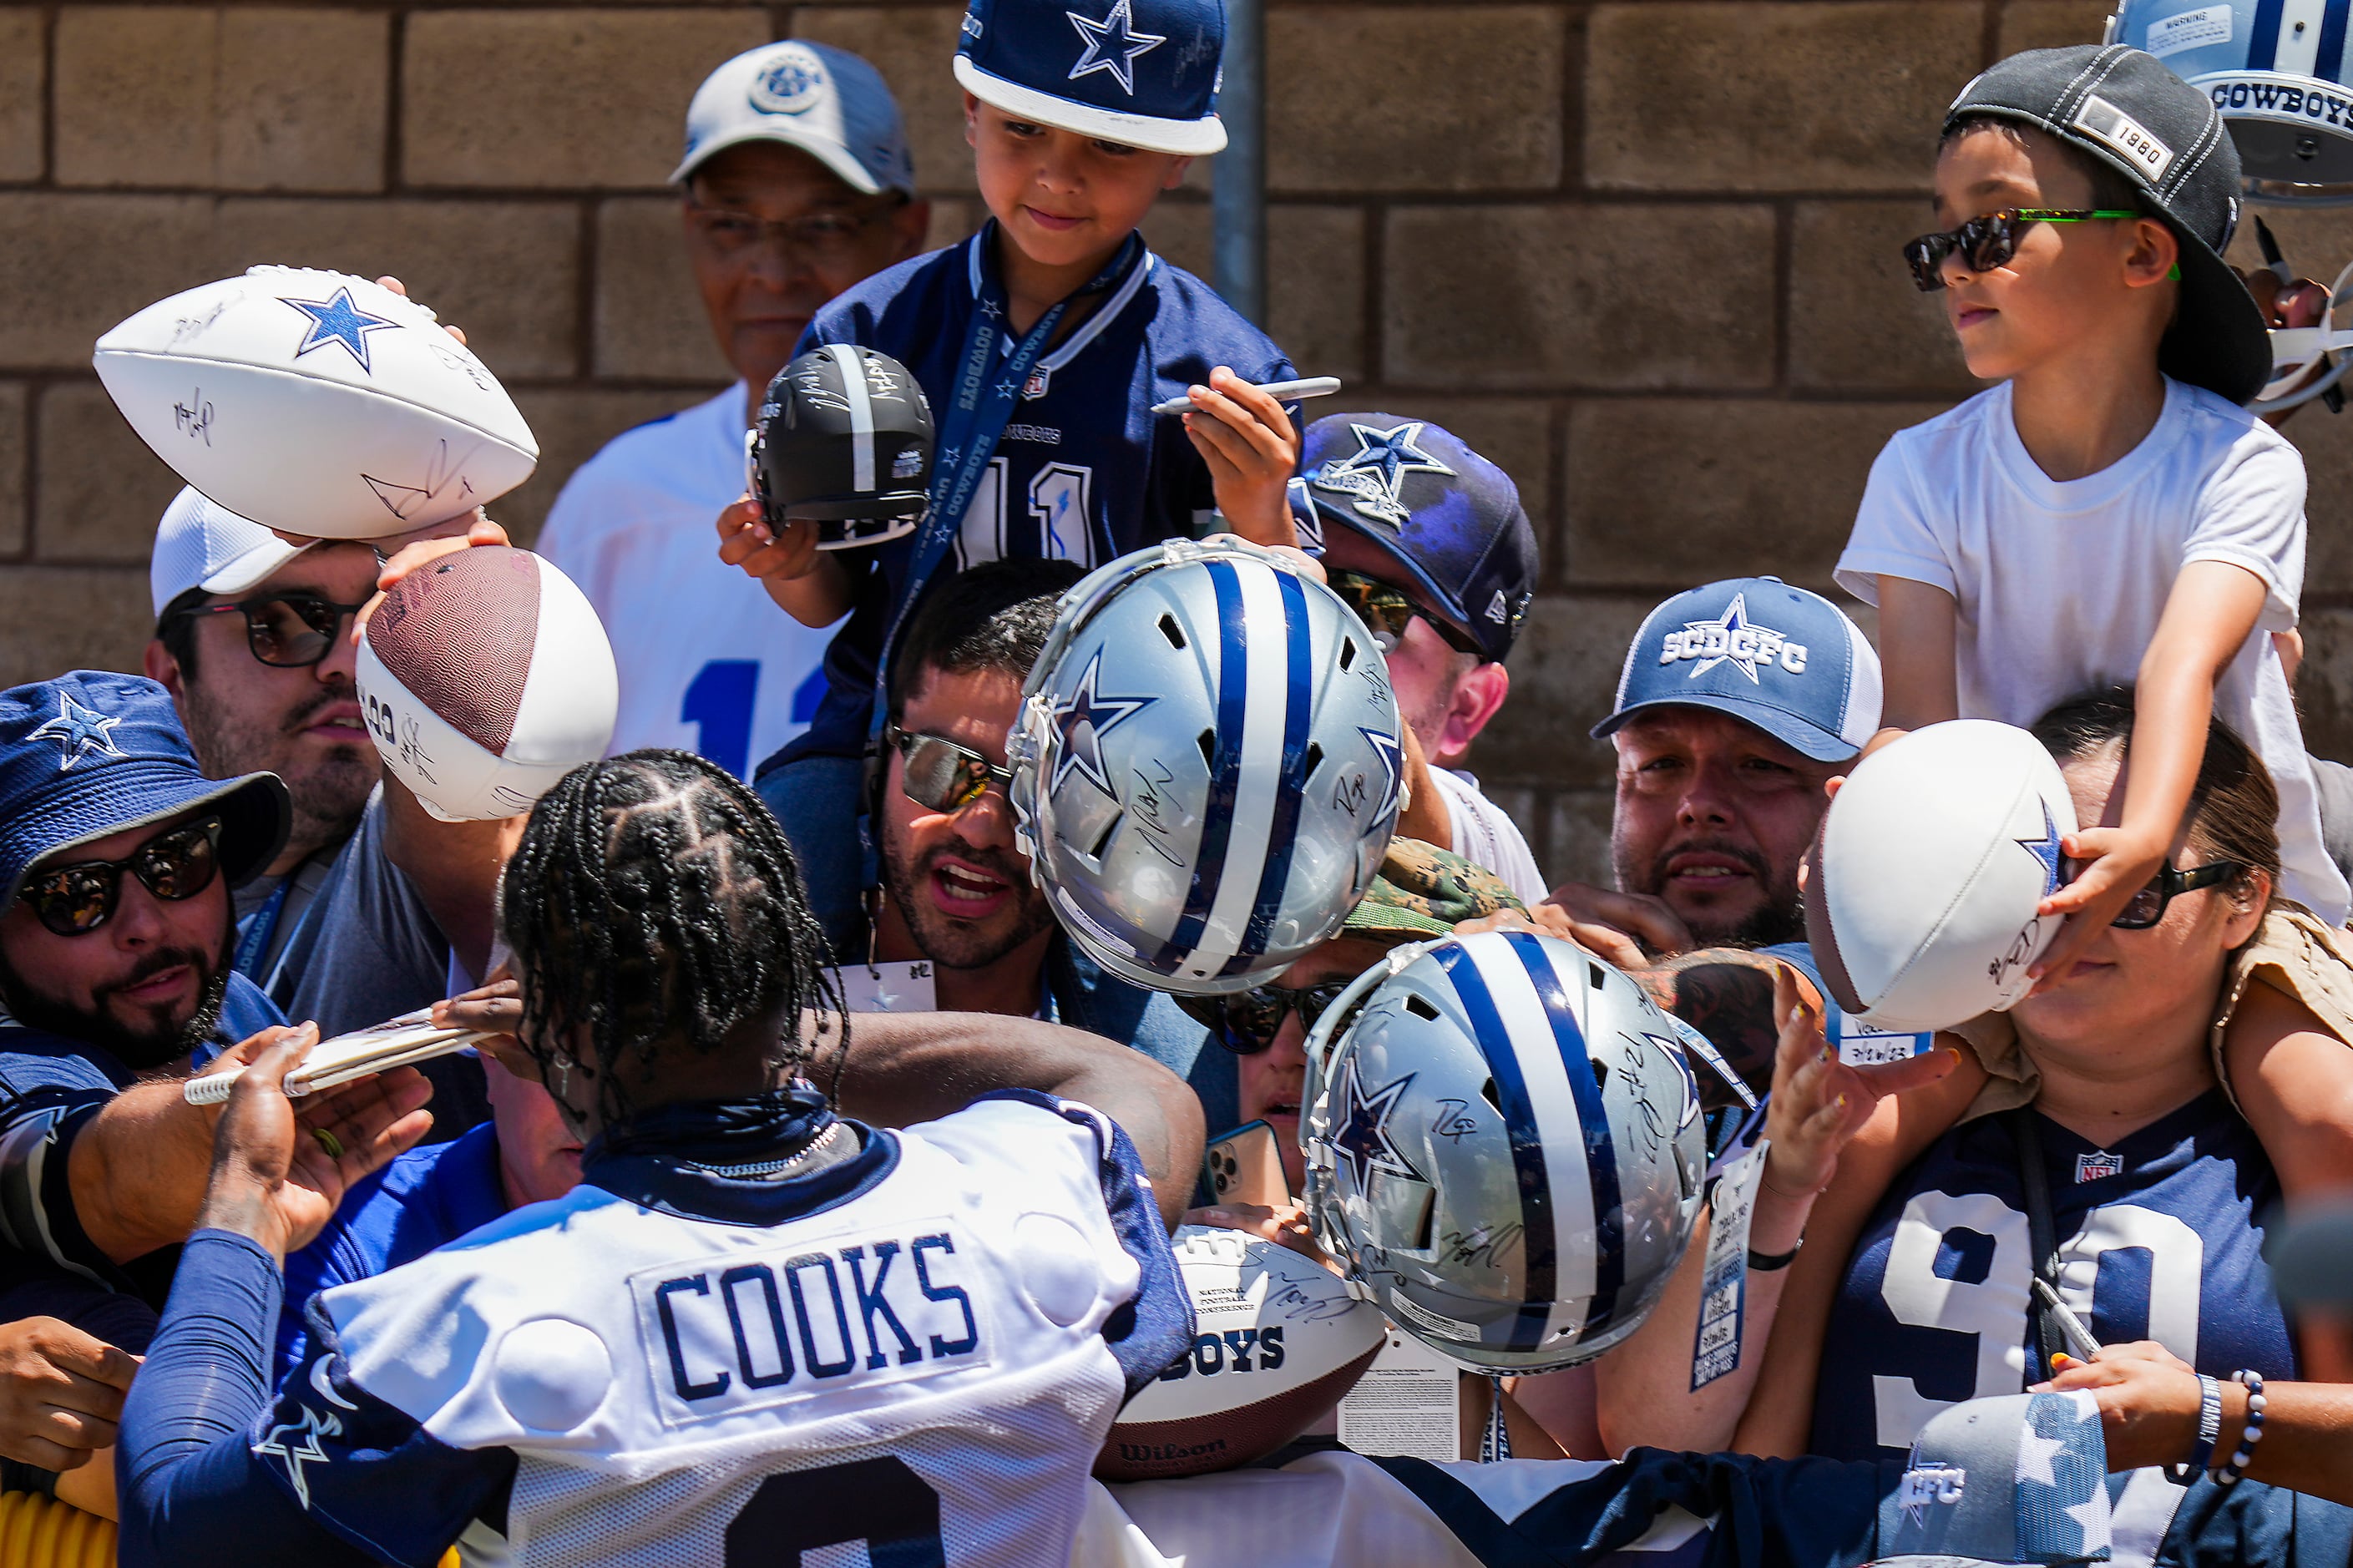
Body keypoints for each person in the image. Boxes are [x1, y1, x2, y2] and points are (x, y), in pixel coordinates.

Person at [114, 750, 1204, 1567]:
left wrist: (245, 1204)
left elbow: (172, 1524)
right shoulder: (1033, 1203)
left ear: (551, 1029)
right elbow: (1138, 1092)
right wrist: (768, 1026)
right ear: (795, 970)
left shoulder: (474, 1313)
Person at [717, 0, 1303, 943]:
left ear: (1178, 156)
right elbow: (831, 600)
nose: (1057, 177)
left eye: (1109, 144)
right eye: (1023, 127)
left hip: (1124, 779)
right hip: (887, 748)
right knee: (749, 927)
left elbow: (1274, 643)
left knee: (1156, 1043)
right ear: (968, 112)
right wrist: (789, 563)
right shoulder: (868, 334)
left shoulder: (1224, 373)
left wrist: (1260, 514)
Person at [1723, 695, 2353, 1557]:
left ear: (2242, 902)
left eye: (2130, 888)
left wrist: (2211, 1417)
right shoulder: (1872, 1123)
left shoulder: (2302, 1144)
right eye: (2042, 880)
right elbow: (1745, 1474)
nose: (2072, 916)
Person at [1838, 44, 2351, 986]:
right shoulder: (1921, 469)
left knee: (2314, 1109)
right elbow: (1916, 719)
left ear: (2142, 250)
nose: (1955, 266)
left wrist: (2143, 841)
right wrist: (1862, 819)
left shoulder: (2240, 464)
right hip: (2002, 904)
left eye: (1991, 229)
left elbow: (2179, 666)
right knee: (1869, 1130)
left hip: (2225, 896)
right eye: (1938, 241)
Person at [539, 40, 931, 778]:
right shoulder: (616, 499)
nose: (773, 272)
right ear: (692, 230)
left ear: (907, 233)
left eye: (823, 226)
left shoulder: (974, 472)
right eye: (733, 225)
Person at [0, 672, 428, 1312]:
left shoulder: (232, 1004)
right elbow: (83, 1173)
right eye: (77, 897)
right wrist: (216, 1134)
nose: (145, 926)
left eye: (176, 861)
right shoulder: (16, 1062)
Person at [144, 488, 493, 1136]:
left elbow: (452, 816)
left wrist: (461, 633)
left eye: (381, 614)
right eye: (284, 622)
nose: (348, 660)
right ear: (172, 676)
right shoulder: (118, 889)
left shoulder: (411, 832)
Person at [850, 559, 1232, 1130]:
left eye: (1040, 791)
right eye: (944, 766)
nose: (981, 827)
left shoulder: (1190, 1079)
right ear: (879, 763)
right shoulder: (741, 1012)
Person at [1552, 576, 1880, 961]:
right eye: (1662, 764)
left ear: (1851, 798)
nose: (1699, 804)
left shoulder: (1918, 1001)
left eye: (1761, 765)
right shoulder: (1547, 979)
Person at [1290, 414, 1546, 903]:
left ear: (1468, 708)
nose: (1302, 630)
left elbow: (1385, 787)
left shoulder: (1487, 843)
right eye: (1293, 585)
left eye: (1371, 608)